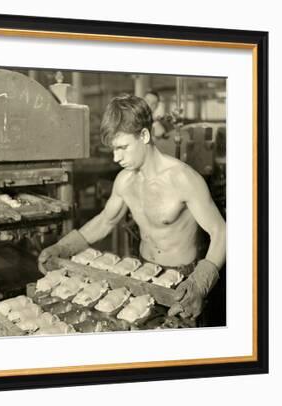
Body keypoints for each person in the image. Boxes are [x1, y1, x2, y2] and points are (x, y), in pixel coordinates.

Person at [38, 95, 226, 320]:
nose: (117, 157)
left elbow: (221, 232)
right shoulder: (125, 181)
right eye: (113, 150)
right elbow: (105, 221)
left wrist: (199, 283)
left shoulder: (183, 178)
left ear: (144, 136)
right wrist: (63, 247)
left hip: (182, 279)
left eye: (123, 147)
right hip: (141, 271)